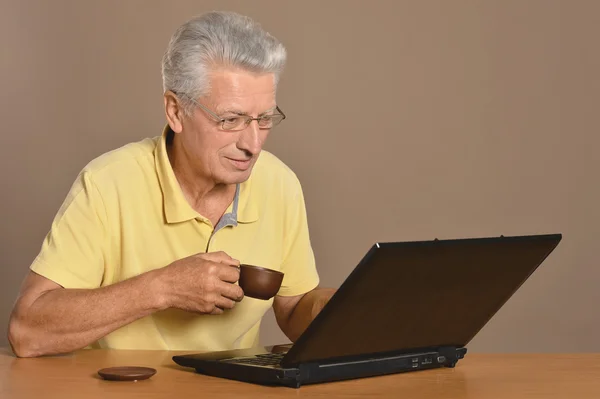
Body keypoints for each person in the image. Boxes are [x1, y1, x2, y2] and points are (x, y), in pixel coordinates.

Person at [7, 11, 335, 358]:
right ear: (176, 112)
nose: (252, 143)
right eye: (230, 119)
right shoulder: (107, 183)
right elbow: (27, 331)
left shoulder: (279, 183)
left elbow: (294, 306)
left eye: (264, 119)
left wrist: (338, 309)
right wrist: (161, 288)